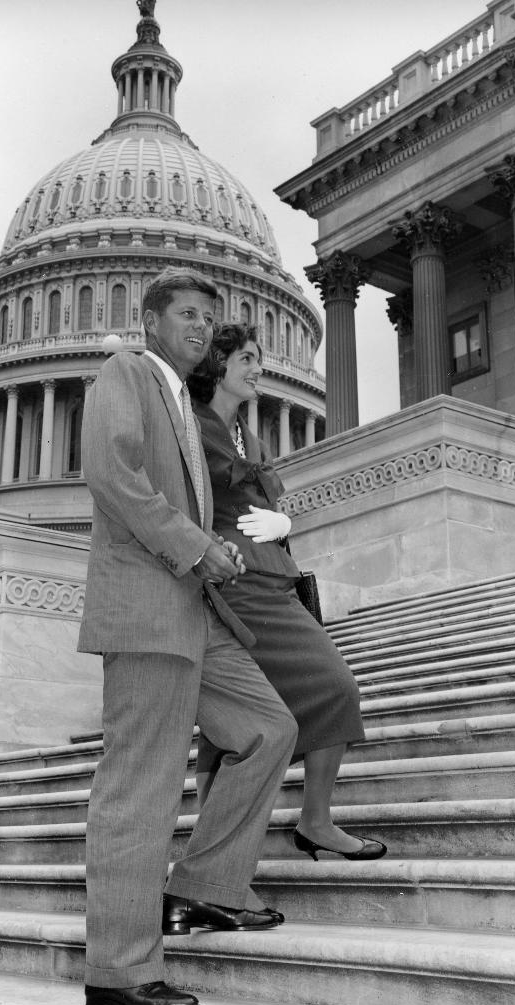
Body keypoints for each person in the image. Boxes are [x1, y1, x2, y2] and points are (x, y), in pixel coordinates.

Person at [78, 269, 298, 1005]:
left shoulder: (182, 397)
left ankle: (205, 885)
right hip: (147, 612)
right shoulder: (127, 374)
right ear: (150, 323)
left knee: (269, 729)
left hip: (195, 610)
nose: (203, 327)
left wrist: (213, 551)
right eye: (187, 315)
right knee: (138, 791)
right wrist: (193, 545)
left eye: (211, 316)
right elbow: (112, 474)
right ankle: (118, 970)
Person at [187, 322, 387, 863]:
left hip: (273, 580)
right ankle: (225, 854)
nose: (259, 368)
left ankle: (312, 822)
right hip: (235, 585)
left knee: (310, 696)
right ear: (218, 365)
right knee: (247, 719)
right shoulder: (191, 424)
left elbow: (267, 499)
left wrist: (282, 522)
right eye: (248, 359)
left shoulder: (246, 436)